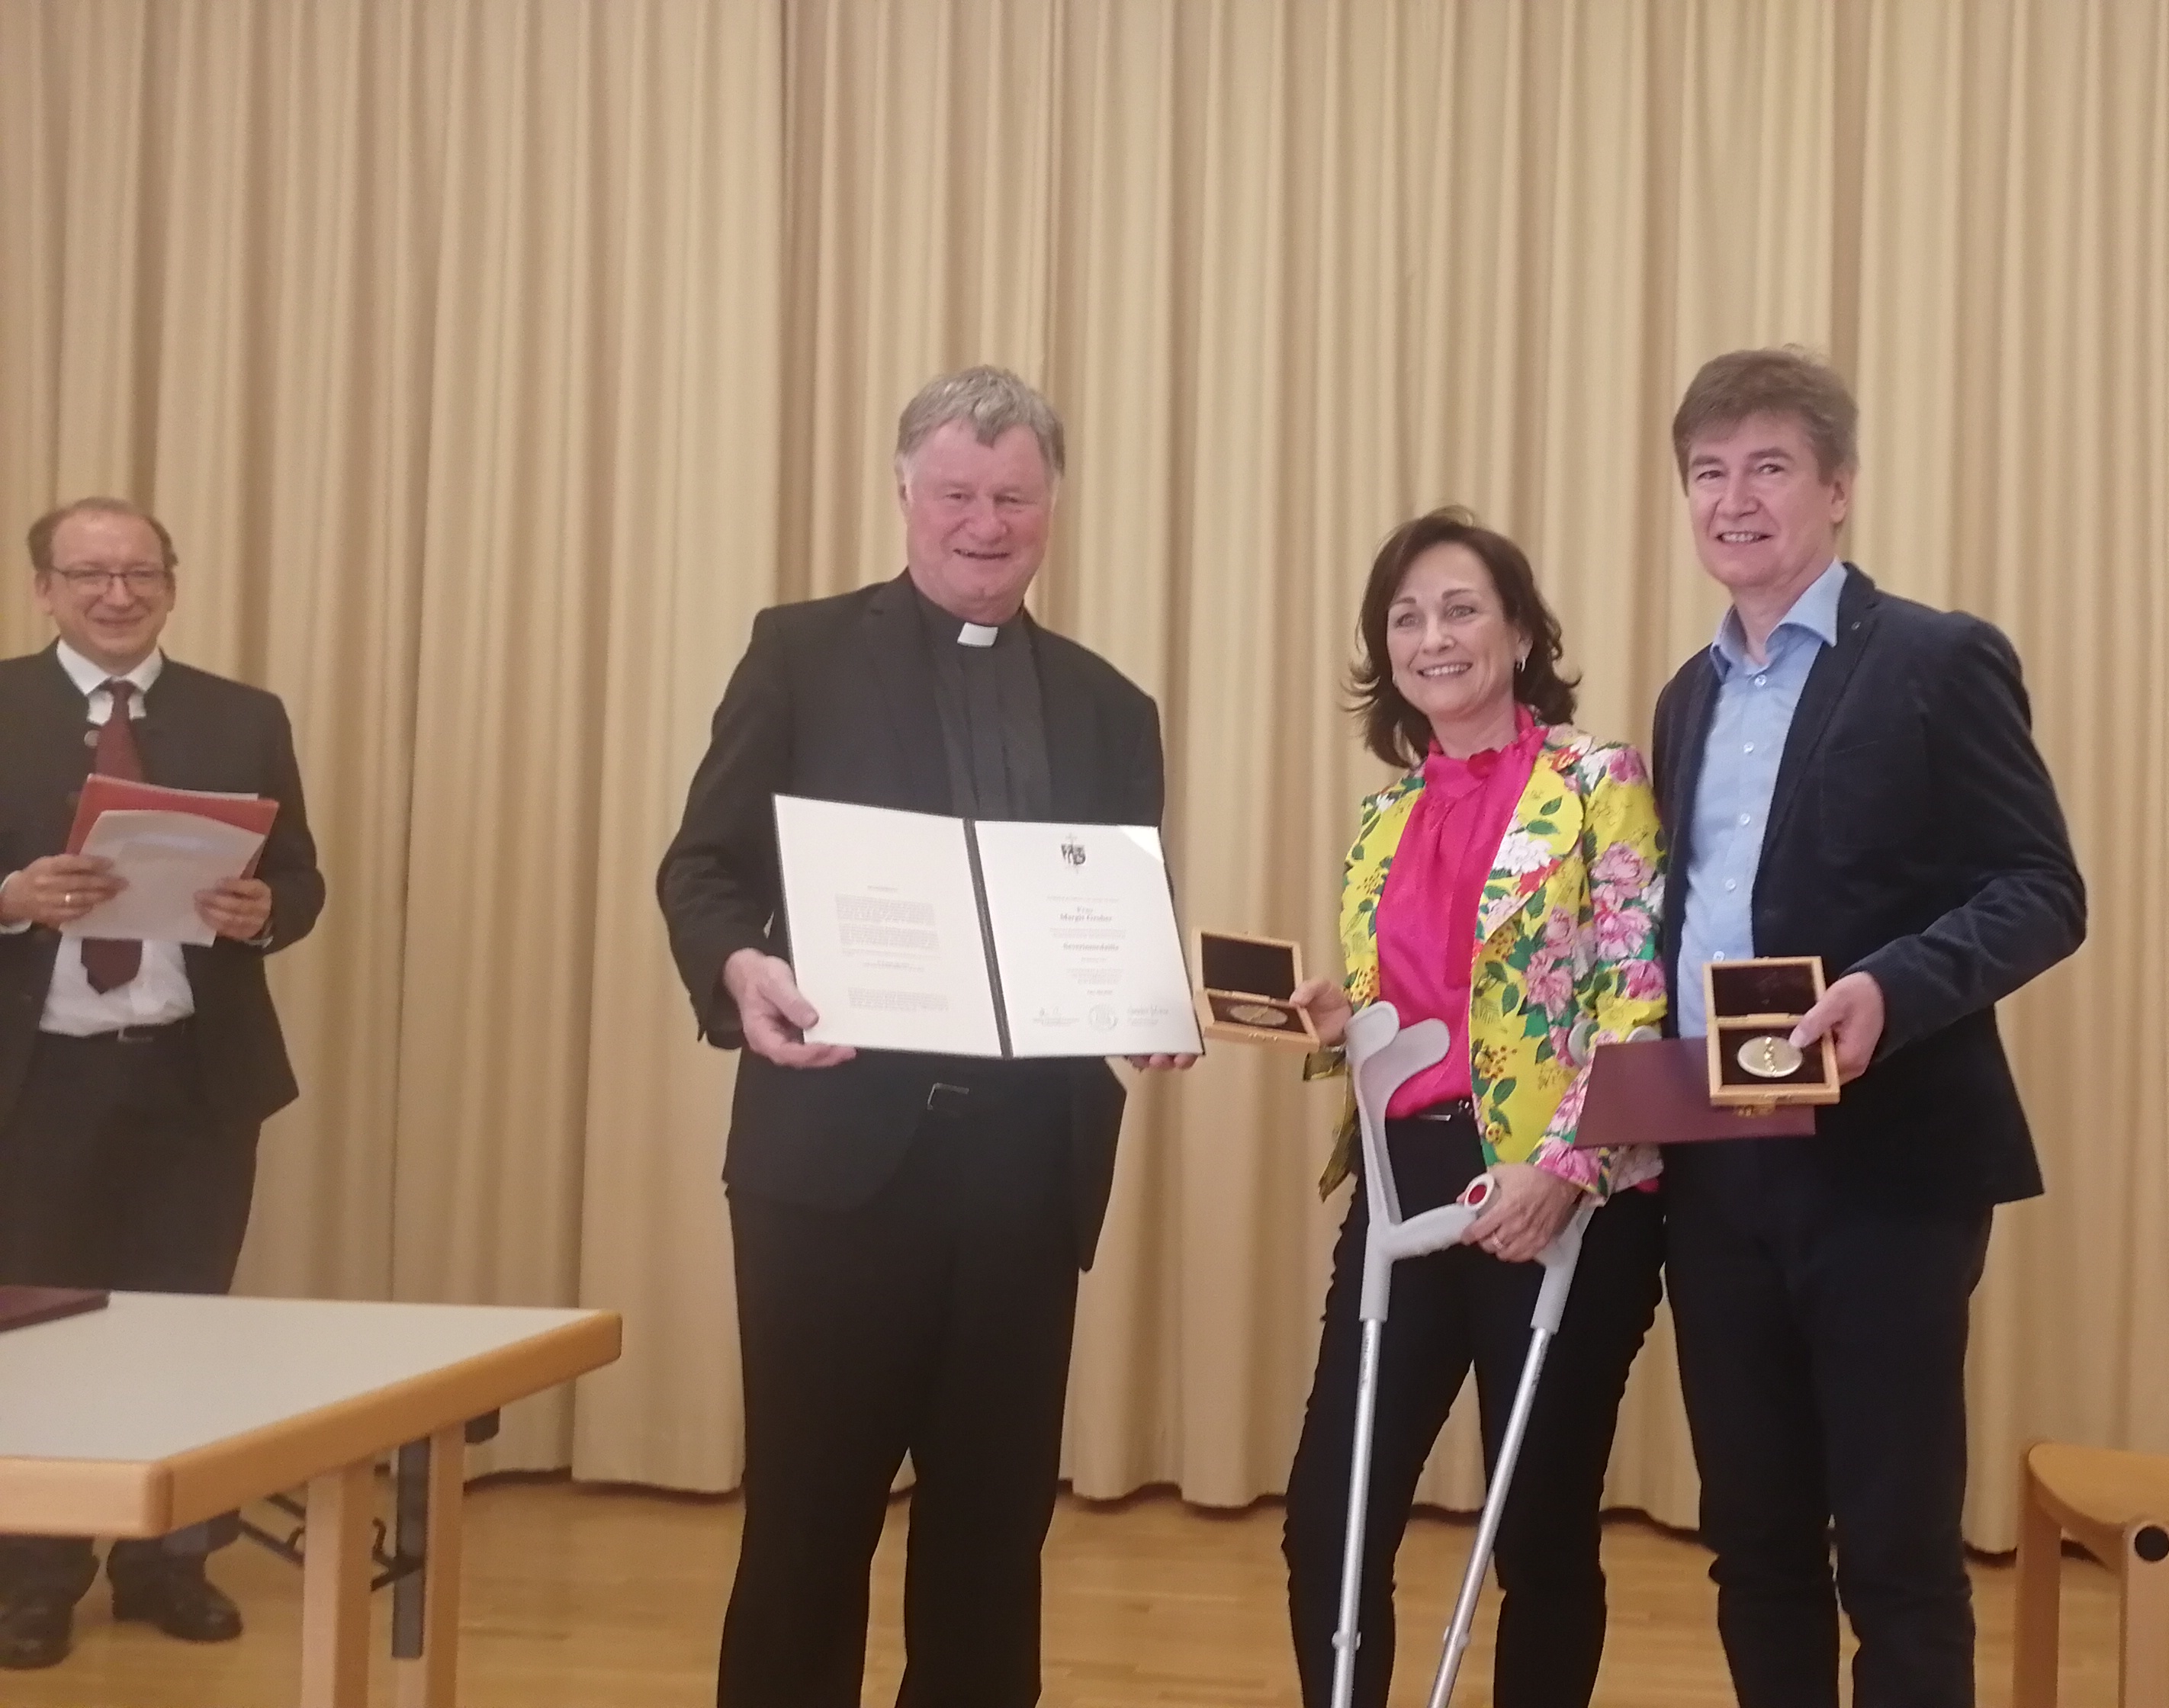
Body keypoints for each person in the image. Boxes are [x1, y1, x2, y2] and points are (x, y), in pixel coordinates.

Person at [658, 366, 1192, 1708]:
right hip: (832, 1166)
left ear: (1053, 509)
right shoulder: (798, 651)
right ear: (904, 493)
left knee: (995, 1535)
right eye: (956, 492)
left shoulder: (1111, 706)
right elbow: (702, 869)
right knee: (805, 1523)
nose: (984, 521)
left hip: (1024, 1177)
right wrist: (739, 967)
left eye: (1013, 496)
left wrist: (1147, 998)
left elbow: (1117, 913)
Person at [1647, 349, 2085, 1708]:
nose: (1737, 501)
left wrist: (1892, 990)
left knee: (1895, 1550)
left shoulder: (1938, 660)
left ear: (1837, 488)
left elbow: (2041, 891)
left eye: (1769, 466)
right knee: (1757, 1542)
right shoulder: (1685, 697)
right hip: (1717, 1166)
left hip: (1888, 1167)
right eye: (1710, 474)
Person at [1280, 508, 1669, 1708]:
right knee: (1328, 1526)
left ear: (1518, 632)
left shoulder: (1597, 782)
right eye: (1405, 617)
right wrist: (1345, 1020)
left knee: (1540, 1535)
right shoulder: (1383, 820)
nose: (1431, 636)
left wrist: (1566, 1169)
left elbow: (1635, 994)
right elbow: (1426, 1003)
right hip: (1413, 1186)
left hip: (1565, 1192)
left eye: (1459, 609)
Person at [0, 498, 325, 1671]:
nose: (116, 593)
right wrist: (10, 899)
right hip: (33, 1089)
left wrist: (266, 911)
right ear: (44, 589)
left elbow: (299, 874)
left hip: (194, 1080)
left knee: (184, 1331)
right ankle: (34, 1577)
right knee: (33, 1340)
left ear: (172, 584)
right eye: (88, 574)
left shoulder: (243, 716)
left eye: (139, 571)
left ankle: (170, 1563)